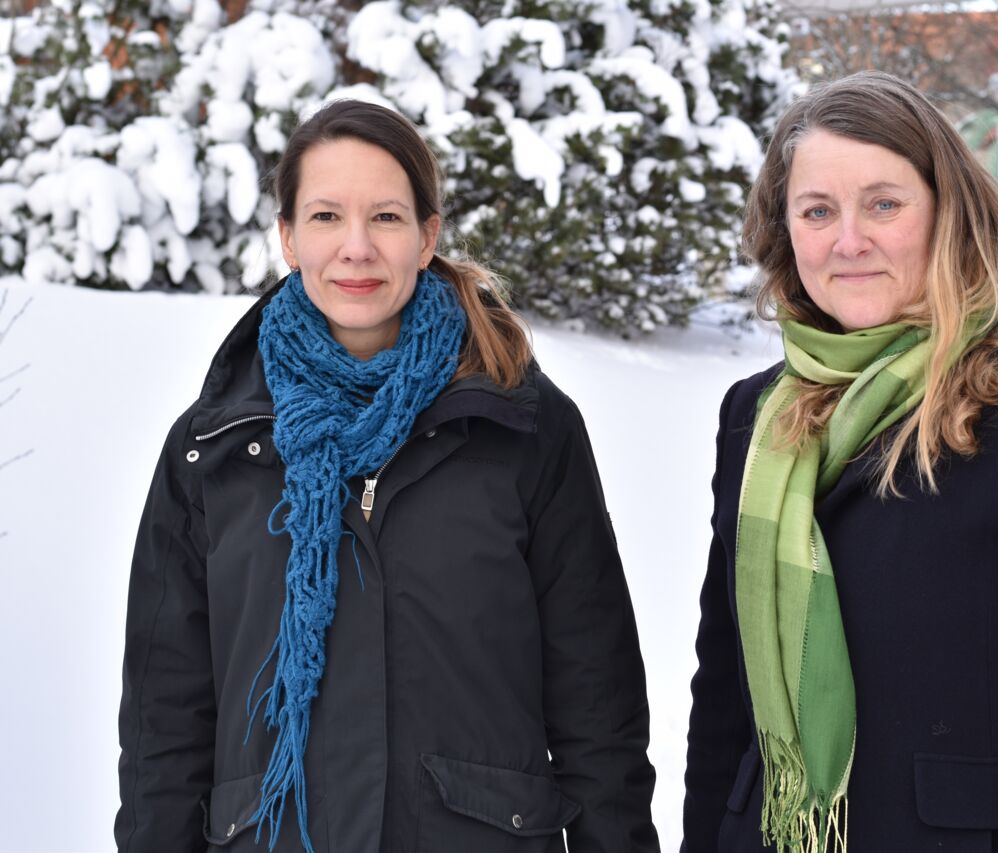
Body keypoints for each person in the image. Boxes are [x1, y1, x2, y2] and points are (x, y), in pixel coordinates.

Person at [116, 99, 659, 853]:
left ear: (429, 235)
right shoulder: (212, 448)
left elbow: (597, 708)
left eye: (388, 218)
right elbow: (162, 725)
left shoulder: (523, 426)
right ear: (288, 237)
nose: (357, 248)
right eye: (327, 216)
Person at [682, 72, 998, 853]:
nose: (849, 240)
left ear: (948, 211)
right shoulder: (755, 413)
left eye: (883, 203)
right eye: (818, 210)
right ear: (785, 232)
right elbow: (724, 692)